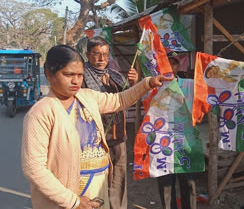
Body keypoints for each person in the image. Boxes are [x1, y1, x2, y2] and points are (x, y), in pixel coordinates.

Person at [21, 44, 172, 209]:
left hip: (98, 187)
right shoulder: (41, 113)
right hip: (67, 196)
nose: (76, 81)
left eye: (80, 75)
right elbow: (34, 169)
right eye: (68, 74)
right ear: (48, 73)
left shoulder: (86, 96)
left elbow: (119, 100)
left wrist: (147, 83)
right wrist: (73, 201)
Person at [82, 36, 138, 209]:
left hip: (118, 137)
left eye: (105, 55)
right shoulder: (81, 76)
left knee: (119, 180)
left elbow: (129, 100)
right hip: (94, 141)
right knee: (97, 181)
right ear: (87, 54)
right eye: (97, 54)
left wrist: (134, 84)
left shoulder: (115, 76)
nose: (101, 59)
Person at [157, 54, 197, 209]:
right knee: (166, 184)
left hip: (185, 141)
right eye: (167, 64)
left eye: (174, 64)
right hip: (163, 143)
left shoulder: (189, 84)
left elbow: (209, 87)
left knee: (189, 182)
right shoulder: (154, 86)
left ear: (179, 67)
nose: (171, 67)